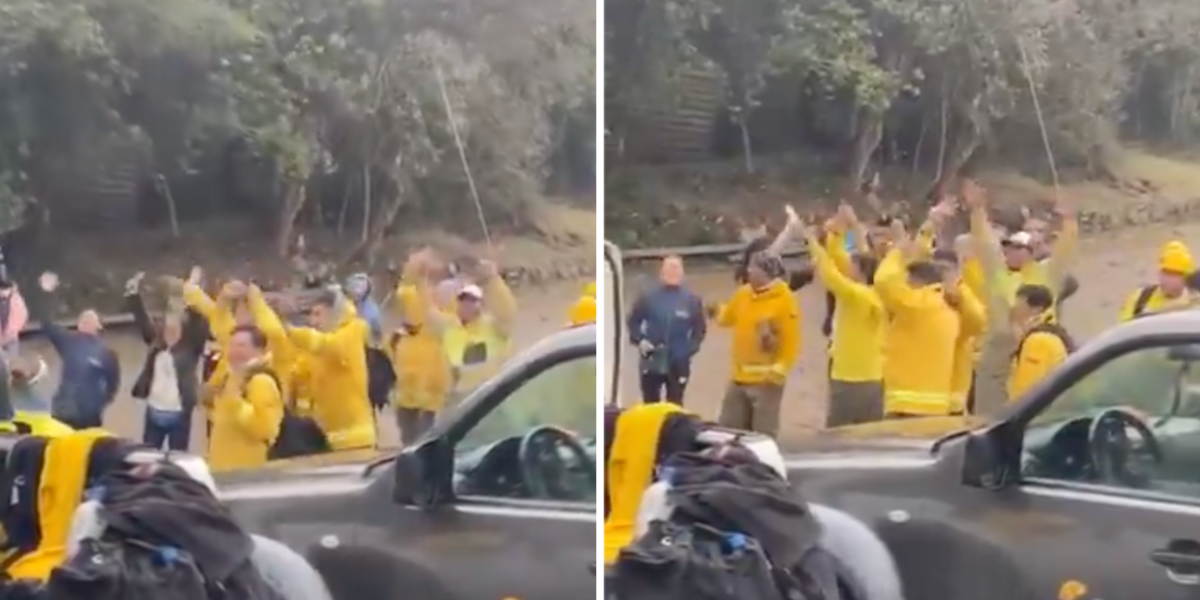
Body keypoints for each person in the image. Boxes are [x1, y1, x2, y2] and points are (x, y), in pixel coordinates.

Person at [873, 209, 963, 418]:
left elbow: (884, 281)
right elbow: (919, 263)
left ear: (916, 282)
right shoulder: (949, 306)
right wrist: (927, 228)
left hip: (907, 407)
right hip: (937, 406)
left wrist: (898, 250)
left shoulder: (917, 306)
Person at [800, 214, 885, 426]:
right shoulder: (868, 292)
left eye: (853, 266)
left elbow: (831, 274)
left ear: (863, 272)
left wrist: (811, 240)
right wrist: (836, 234)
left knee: (839, 435)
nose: (848, 268)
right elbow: (838, 261)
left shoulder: (859, 295)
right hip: (867, 376)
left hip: (853, 379)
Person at [713, 250, 800, 437]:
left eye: (753, 267)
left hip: (766, 383)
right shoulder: (743, 294)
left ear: (765, 273)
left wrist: (780, 368)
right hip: (739, 378)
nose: (749, 271)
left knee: (763, 436)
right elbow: (727, 317)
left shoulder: (785, 300)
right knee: (728, 431)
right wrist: (715, 311)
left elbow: (791, 341)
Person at [125, 271, 209, 451]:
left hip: (179, 413)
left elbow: (201, 320)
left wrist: (192, 290)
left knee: (177, 458)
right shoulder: (157, 342)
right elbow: (142, 320)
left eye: (175, 324)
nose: (169, 328)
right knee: (148, 455)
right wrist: (133, 294)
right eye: (167, 325)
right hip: (154, 411)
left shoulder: (191, 346)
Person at [287, 287, 377, 451]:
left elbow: (331, 348)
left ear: (334, 312)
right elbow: (299, 375)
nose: (313, 321)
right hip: (324, 437)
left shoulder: (352, 331)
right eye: (311, 315)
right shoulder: (314, 347)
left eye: (318, 314)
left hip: (355, 438)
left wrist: (292, 332)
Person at [32, 272, 120, 430]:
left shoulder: (106, 353)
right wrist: (47, 294)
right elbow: (46, 323)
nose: (84, 320)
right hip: (64, 410)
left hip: (88, 415)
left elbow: (113, 384)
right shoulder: (68, 341)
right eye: (82, 318)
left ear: (99, 326)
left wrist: (100, 403)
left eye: (89, 318)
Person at [389, 249, 452, 443]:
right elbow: (404, 294)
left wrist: (420, 279)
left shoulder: (445, 319)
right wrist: (411, 273)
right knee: (407, 442)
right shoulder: (404, 332)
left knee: (423, 444)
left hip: (429, 401)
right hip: (405, 398)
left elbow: (428, 312)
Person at [626, 256, 706, 404]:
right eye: (669, 269)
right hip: (652, 358)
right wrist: (641, 340)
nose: (673, 273)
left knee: (675, 405)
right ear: (661, 272)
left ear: (682, 273)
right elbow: (633, 322)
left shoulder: (692, 300)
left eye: (676, 269)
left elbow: (699, 330)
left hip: (678, 362)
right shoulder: (647, 296)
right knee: (650, 405)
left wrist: (688, 350)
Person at [208, 324, 285, 471]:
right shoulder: (231, 378)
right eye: (231, 345)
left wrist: (235, 403)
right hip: (223, 470)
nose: (234, 351)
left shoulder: (261, 381)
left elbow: (264, 429)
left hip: (246, 474)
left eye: (241, 345)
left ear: (259, 350)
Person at [1008, 283, 1072, 400]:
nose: (1013, 310)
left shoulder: (1038, 340)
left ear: (1037, 310)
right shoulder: (1050, 332)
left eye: (1019, 305)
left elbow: (1027, 390)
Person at [1119, 241, 1199, 320]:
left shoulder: (1194, 306)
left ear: (1186, 277)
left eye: (1173, 274)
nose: (1166, 279)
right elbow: (1124, 329)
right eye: (1165, 272)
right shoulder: (1140, 298)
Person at [0, 278, 28, 356]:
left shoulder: (16, 299)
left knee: (12, 361)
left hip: (11, 339)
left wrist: (10, 333)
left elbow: (21, 317)